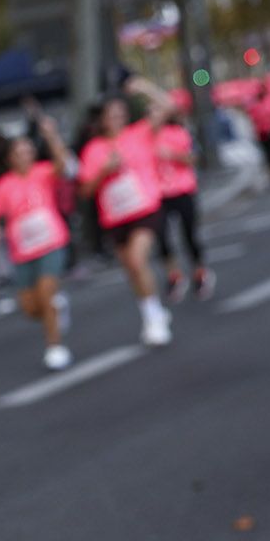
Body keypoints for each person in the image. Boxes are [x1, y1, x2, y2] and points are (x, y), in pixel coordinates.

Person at [76, 77, 176, 347]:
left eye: (121, 113)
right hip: (115, 216)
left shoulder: (138, 134)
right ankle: (151, 310)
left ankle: (154, 317)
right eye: (112, 115)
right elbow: (85, 190)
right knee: (131, 269)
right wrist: (105, 171)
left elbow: (168, 106)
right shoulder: (93, 149)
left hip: (144, 208)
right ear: (103, 120)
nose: (118, 118)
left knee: (136, 259)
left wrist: (144, 88)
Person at [0, 116, 76, 370]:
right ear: (10, 158)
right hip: (23, 251)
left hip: (51, 243)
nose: (25, 156)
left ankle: (55, 347)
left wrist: (51, 135)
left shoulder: (44, 172)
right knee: (31, 308)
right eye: (19, 152)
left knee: (46, 293)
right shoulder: (4, 186)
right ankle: (57, 309)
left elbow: (64, 166)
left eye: (28, 151)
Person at [153, 108, 214, 302]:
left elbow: (194, 158)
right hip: (157, 194)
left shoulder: (178, 133)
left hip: (182, 189)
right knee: (161, 237)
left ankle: (199, 272)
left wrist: (173, 155)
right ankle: (174, 276)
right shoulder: (144, 137)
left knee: (189, 233)